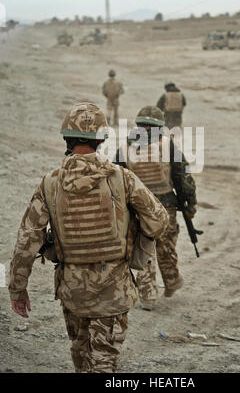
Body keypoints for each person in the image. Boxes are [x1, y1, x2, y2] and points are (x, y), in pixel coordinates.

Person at [8, 102, 169, 373]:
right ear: (103, 139)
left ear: (66, 138)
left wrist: (17, 289)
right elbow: (159, 221)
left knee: (81, 356)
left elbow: (27, 240)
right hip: (113, 289)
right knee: (104, 361)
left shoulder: (49, 183)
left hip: (73, 290)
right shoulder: (123, 179)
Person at [114, 106, 197, 311]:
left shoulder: (124, 147)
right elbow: (183, 178)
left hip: (136, 207)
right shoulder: (169, 147)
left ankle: (148, 293)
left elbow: (115, 179)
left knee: (143, 248)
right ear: (161, 126)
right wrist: (190, 203)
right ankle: (171, 280)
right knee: (166, 246)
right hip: (164, 206)